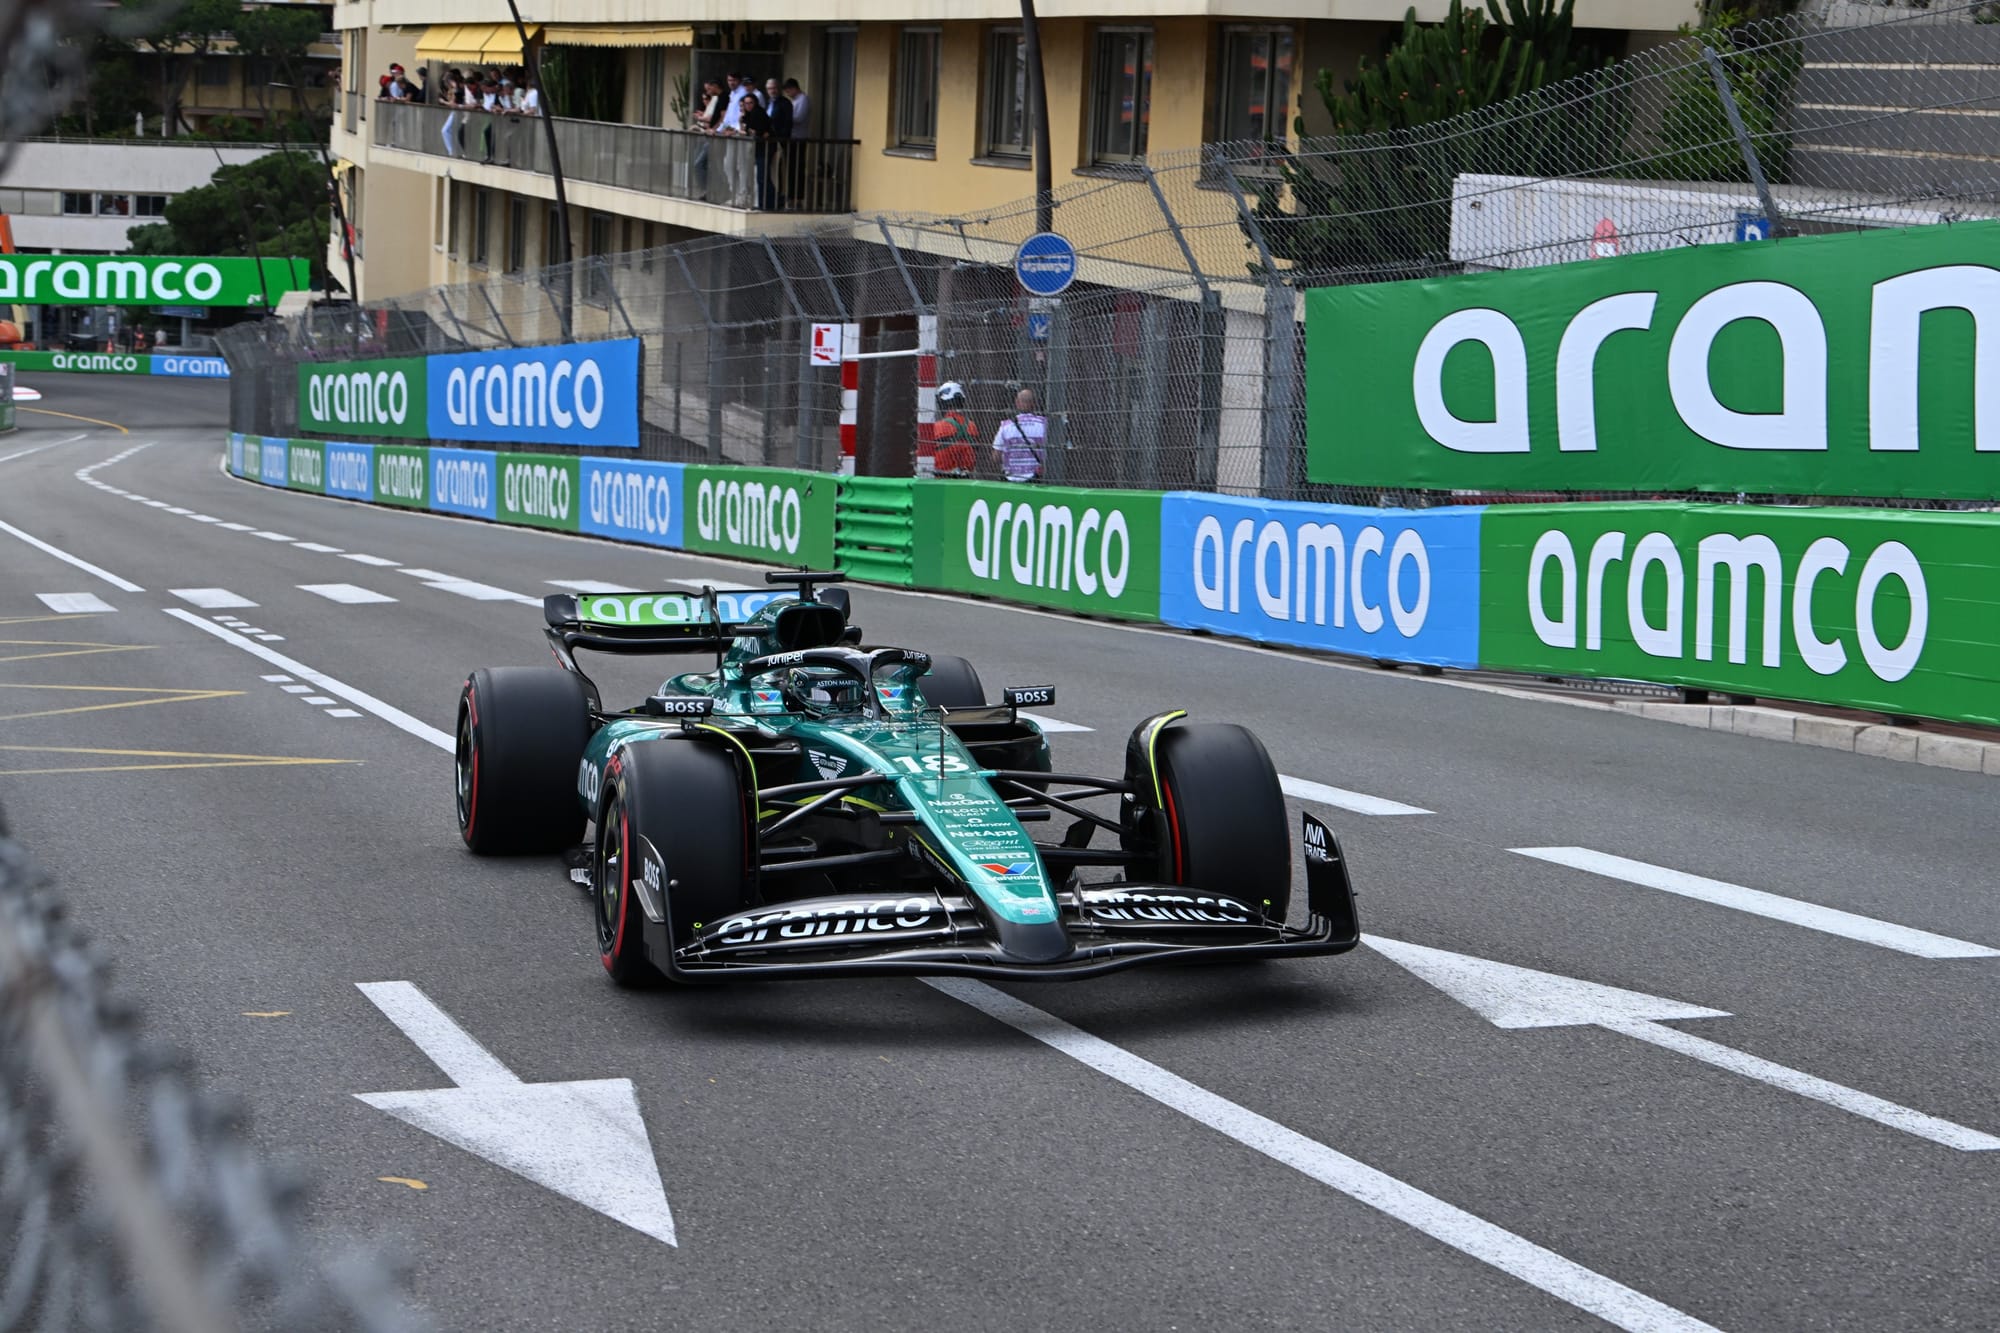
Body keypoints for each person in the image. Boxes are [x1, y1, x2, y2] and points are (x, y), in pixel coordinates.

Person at [992, 388, 1047, 483]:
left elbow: (996, 457)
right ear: (1034, 403)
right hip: (1034, 477)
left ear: (1017, 402)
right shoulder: (1044, 424)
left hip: (1010, 477)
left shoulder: (1006, 426)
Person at [929, 382, 978, 477]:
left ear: (943, 403)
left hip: (940, 477)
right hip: (964, 478)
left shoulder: (938, 426)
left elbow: (925, 451)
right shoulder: (972, 426)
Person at [760, 78, 792, 210]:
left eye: (773, 88)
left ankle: (779, 198)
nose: (771, 91)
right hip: (767, 143)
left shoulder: (784, 103)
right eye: (769, 89)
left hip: (778, 142)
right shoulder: (768, 103)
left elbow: (787, 123)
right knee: (767, 172)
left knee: (777, 171)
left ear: (778, 88)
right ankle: (769, 198)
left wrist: (780, 137)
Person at [738, 90, 770, 211]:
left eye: (751, 103)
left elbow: (757, 131)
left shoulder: (758, 113)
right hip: (751, 149)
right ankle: (750, 200)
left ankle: (759, 202)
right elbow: (747, 130)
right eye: (746, 103)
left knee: (758, 175)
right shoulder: (748, 115)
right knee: (748, 174)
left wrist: (746, 131)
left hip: (761, 149)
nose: (748, 106)